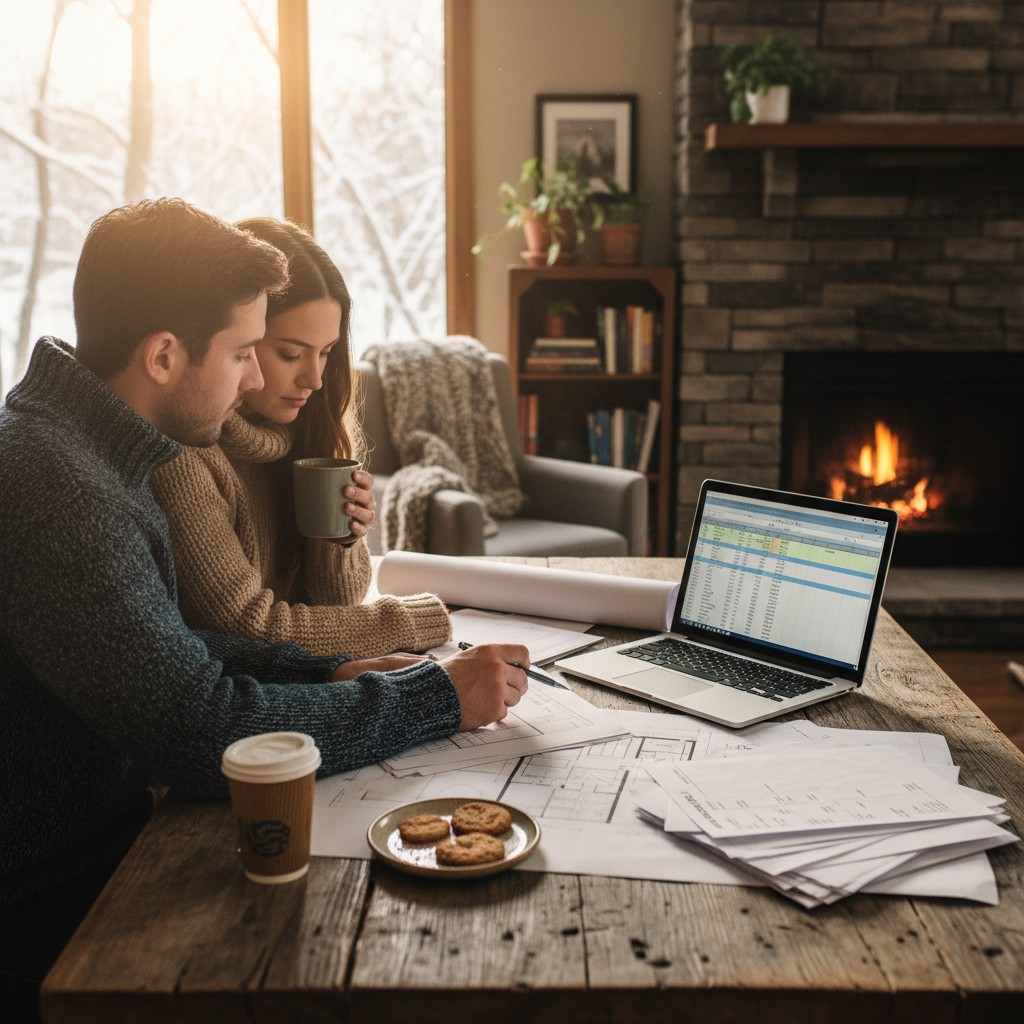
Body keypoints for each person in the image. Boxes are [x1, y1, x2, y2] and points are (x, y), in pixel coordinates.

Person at [0, 198, 529, 1023]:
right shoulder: (58, 488)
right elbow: (200, 732)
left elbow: (178, 646)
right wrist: (438, 698)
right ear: (165, 355)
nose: (255, 381)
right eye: (247, 353)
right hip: (53, 902)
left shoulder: (85, 450)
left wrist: (331, 666)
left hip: (105, 847)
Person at [150, 217, 448, 658]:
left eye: (326, 352)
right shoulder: (185, 451)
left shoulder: (302, 431)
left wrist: (337, 540)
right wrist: (411, 620)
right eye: (290, 354)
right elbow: (248, 629)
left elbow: (339, 605)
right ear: (242, 339)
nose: (315, 379)